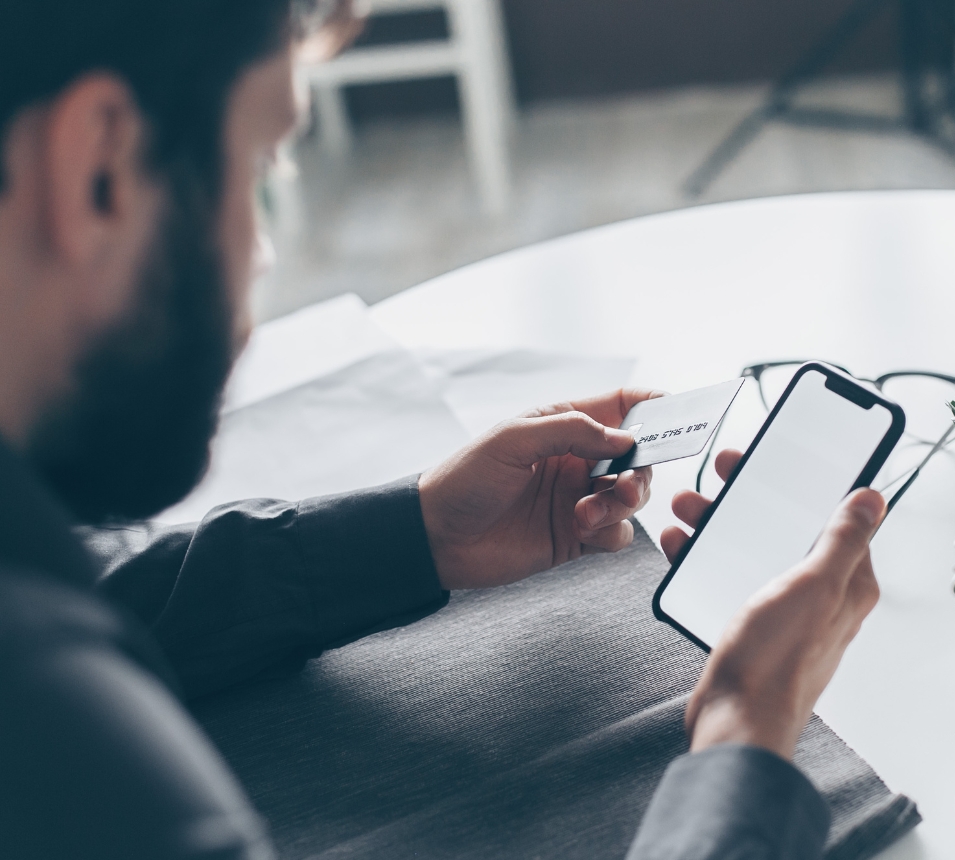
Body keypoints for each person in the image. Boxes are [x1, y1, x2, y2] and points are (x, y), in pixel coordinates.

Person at [0, 2, 887, 858]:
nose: (260, 258)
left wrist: (415, 532)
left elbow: (117, 603)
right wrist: (745, 741)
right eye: (260, 167)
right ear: (99, 167)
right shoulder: (65, 730)